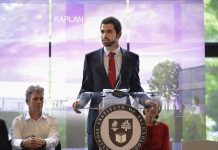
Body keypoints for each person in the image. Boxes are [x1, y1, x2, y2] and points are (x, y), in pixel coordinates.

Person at [72, 16, 153, 150]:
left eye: (109, 31)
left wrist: (147, 102)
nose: (104, 35)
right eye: (102, 31)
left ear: (119, 34)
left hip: (123, 120)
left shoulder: (132, 58)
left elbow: (135, 88)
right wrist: (79, 102)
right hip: (97, 121)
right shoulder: (90, 58)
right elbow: (86, 88)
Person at [11, 85, 60, 150]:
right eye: (35, 99)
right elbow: (14, 140)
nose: (39, 102)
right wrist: (23, 143)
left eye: (41, 99)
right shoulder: (18, 121)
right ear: (27, 101)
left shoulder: (52, 120)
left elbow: (55, 139)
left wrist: (43, 142)